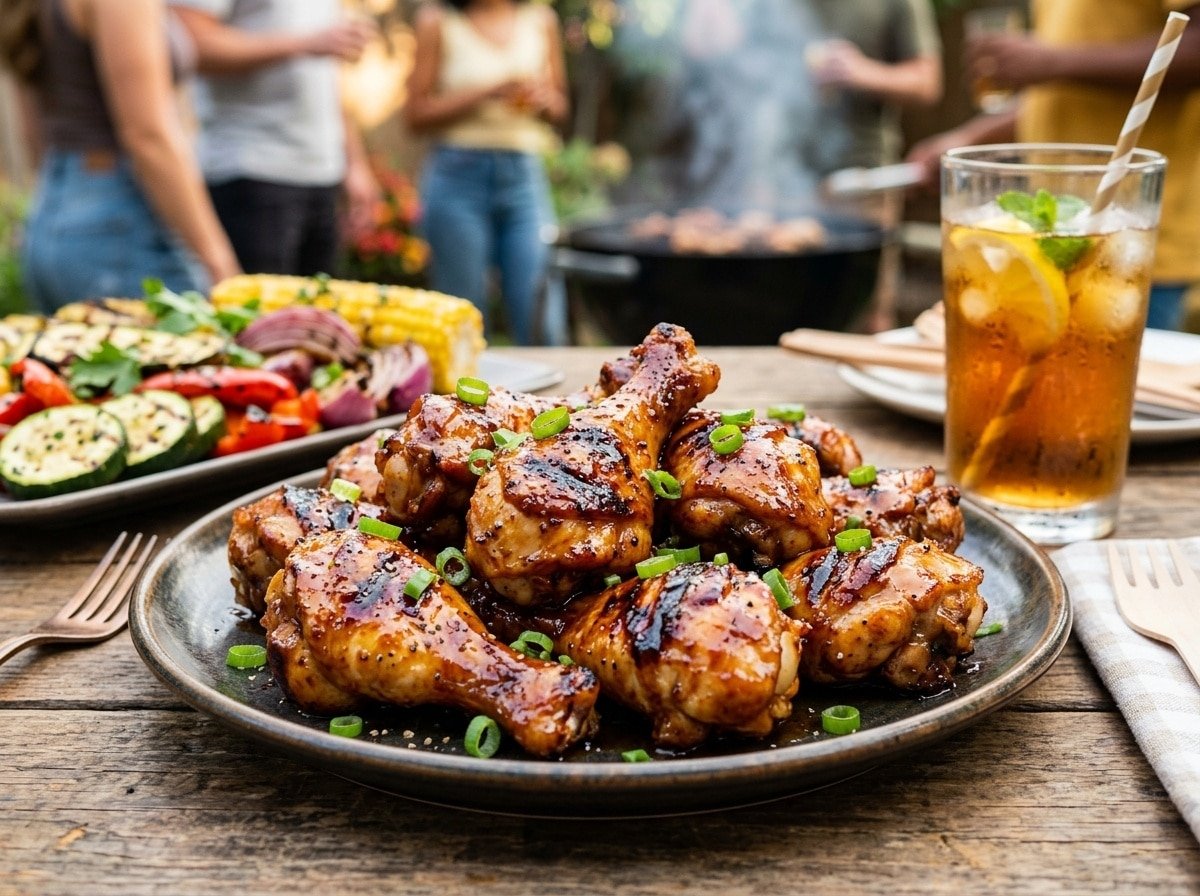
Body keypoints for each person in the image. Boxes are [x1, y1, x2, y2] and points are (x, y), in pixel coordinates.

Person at [906, 0, 1200, 331]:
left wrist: (1051, 60)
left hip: (1128, 235)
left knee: (1110, 359)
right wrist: (971, 137)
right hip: (1055, 233)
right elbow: (1059, 99)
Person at [0, 0, 240, 312]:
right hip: (120, 220)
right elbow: (148, 137)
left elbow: (33, 130)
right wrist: (218, 261)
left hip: (53, 213)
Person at [169, 1, 379, 277]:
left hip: (321, 174)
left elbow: (327, 76)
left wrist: (354, 163)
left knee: (315, 316)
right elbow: (190, 42)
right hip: (251, 172)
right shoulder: (307, 42)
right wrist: (304, 44)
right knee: (257, 317)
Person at [404, 0, 569, 346]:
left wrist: (544, 100)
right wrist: (486, 92)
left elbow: (560, 108)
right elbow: (415, 116)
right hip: (457, 177)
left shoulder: (540, 19)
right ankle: (468, 400)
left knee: (542, 317)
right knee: (465, 319)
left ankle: (553, 401)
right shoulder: (439, 20)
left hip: (524, 175)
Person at [804, 0, 943, 332]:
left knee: (867, 312)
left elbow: (927, 82)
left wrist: (860, 71)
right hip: (783, 179)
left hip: (863, 185)